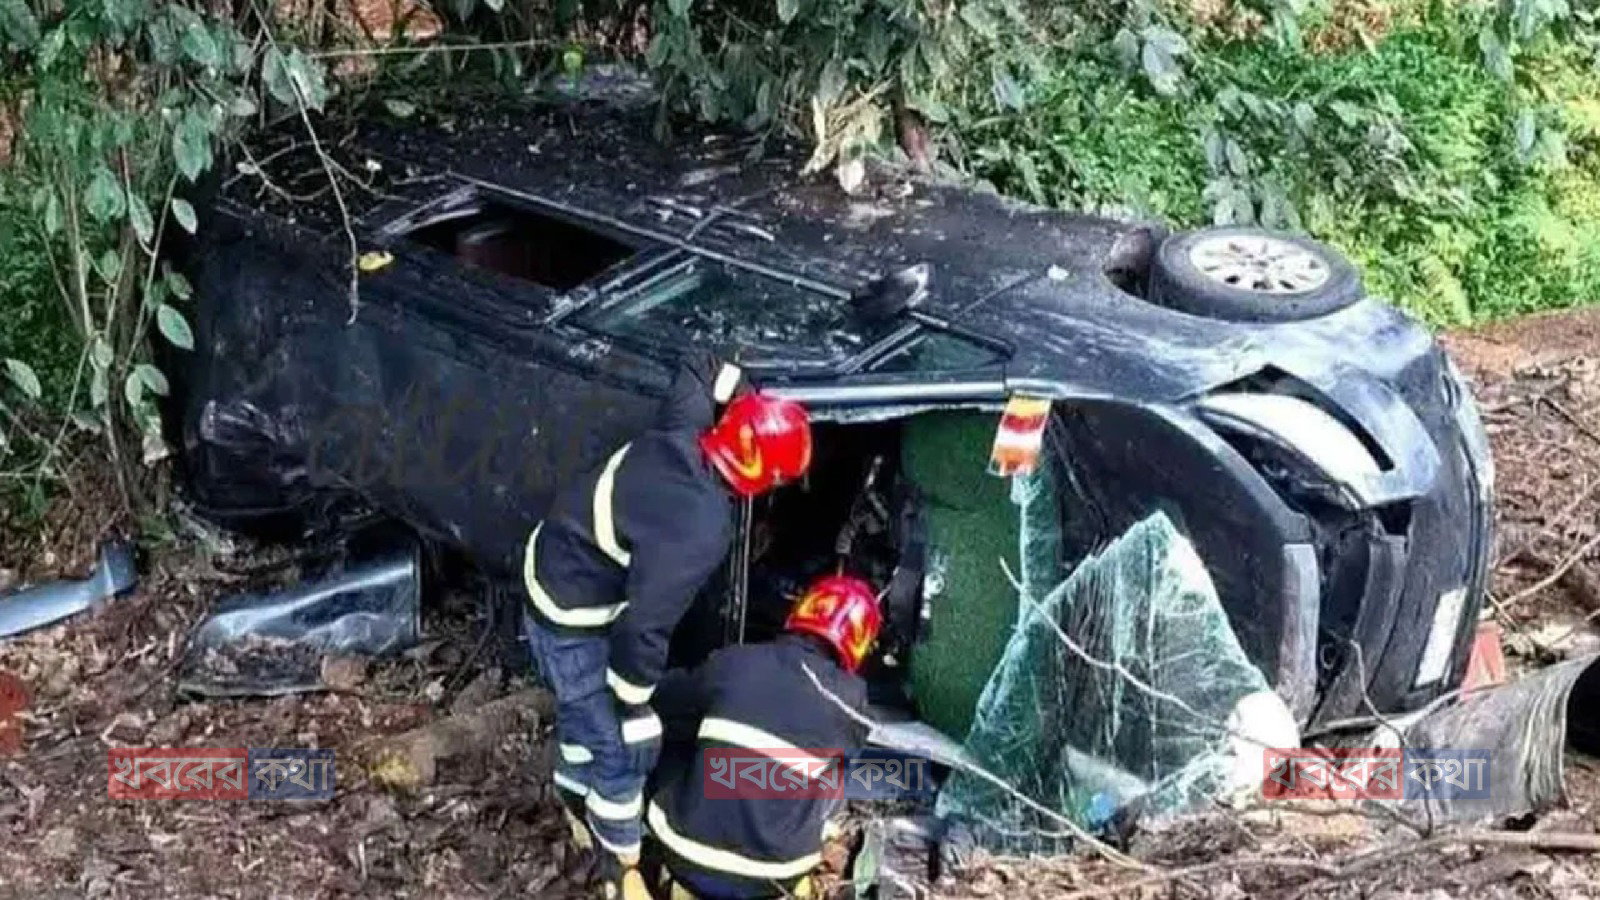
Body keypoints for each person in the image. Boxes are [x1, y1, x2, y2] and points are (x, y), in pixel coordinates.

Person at [522, 354, 813, 899]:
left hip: (553, 555)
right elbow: (644, 627)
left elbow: (702, 367)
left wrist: (744, 393)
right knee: (622, 750)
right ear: (762, 478)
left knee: (583, 716)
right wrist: (634, 706)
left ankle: (571, 789)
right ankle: (618, 861)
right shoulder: (700, 526)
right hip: (571, 614)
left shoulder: (681, 430)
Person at [644, 574, 882, 899]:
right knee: (830, 772)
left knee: (675, 733)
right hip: (774, 876)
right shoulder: (852, 704)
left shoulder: (736, 660)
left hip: (685, 855)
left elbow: (664, 698)